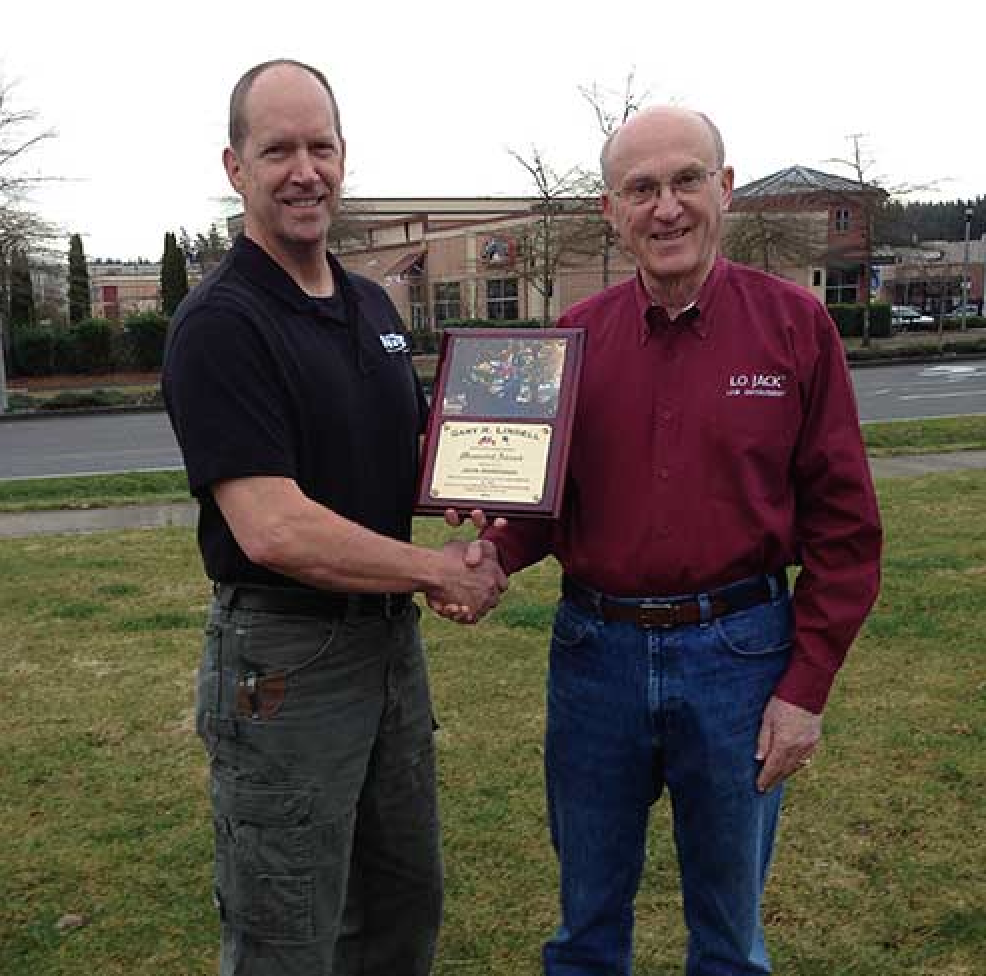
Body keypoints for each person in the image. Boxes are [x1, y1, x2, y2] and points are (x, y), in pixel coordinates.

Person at [459, 105, 883, 975]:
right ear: (610, 211)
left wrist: (804, 690)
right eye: (641, 188)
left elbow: (846, 532)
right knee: (586, 930)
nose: (667, 208)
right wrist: (492, 550)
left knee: (729, 940)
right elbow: (542, 501)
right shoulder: (570, 341)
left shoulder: (798, 329)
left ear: (724, 190)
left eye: (687, 180)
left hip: (739, 658)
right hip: (595, 660)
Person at [161, 59, 506, 976]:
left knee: (400, 908)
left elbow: (416, 455)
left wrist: (483, 494)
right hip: (284, 662)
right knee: (288, 931)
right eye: (278, 150)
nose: (303, 169)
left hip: (386, 648)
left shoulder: (370, 304)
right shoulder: (222, 325)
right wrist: (436, 570)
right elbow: (273, 527)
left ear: (344, 154)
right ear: (236, 167)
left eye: (320, 145)